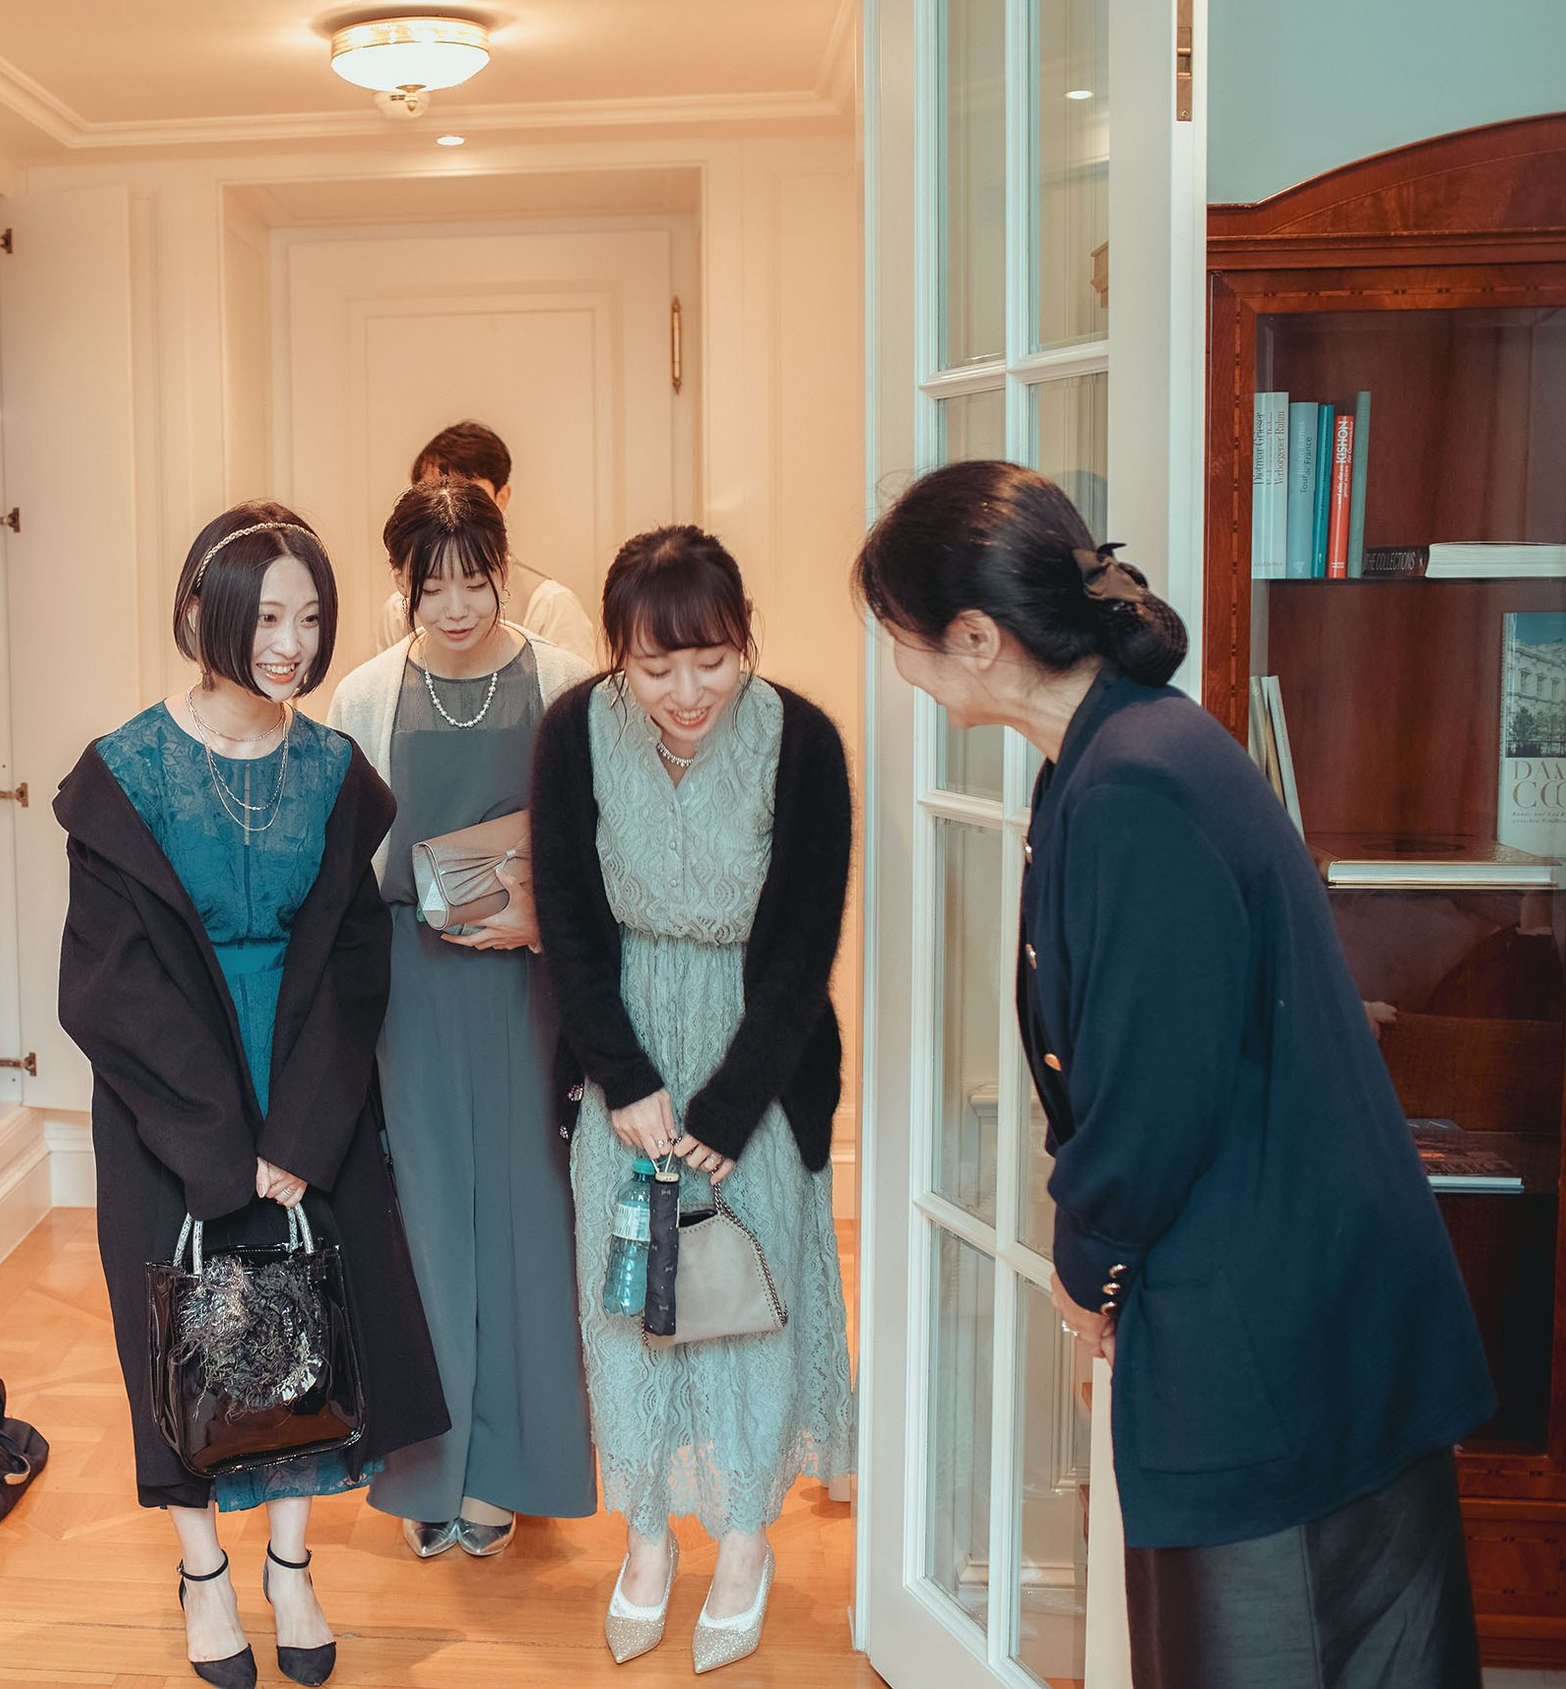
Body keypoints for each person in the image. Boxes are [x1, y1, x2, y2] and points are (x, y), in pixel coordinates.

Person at [855, 459, 1493, 1688]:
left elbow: (1152, 1092)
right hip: (1288, 1284)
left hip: (1277, 1316)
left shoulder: (1133, 780)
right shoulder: (1114, 749)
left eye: (898, 633)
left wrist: (1085, 1266)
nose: (897, 663)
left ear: (974, 638)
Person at [55, 502, 449, 1689]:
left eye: (310, 616)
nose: (291, 641)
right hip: (166, 1105)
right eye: (267, 615)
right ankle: (202, 1574)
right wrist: (220, 1147)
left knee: (305, 1326)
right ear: (200, 614)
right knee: (179, 1328)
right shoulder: (123, 773)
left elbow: (351, 963)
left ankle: (290, 1563)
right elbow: (108, 985)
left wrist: (301, 1131)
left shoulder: (332, 770)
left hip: (306, 1088)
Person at [529, 527, 855, 1672]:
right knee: (632, 1303)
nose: (683, 690)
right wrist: (623, 1078)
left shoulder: (801, 741)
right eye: (654, 666)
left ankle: (747, 1539)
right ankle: (649, 1539)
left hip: (751, 1066)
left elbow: (803, 944)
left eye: (710, 659)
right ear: (615, 653)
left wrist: (725, 1108)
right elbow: (568, 919)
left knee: (747, 1300)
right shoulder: (573, 731)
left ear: (744, 635)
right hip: (622, 1056)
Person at [326, 481, 597, 1560]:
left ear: (501, 567)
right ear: (401, 581)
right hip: (410, 986)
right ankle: (430, 1473)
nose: (453, 604)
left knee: (531, 1216)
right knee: (422, 1223)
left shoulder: (565, 679)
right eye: (428, 582)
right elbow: (351, 867)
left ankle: (510, 1472)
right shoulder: (363, 692)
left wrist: (543, 912)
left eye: (472, 579)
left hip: (531, 989)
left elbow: (596, 838)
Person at [373, 421, 600, 664]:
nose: (449, 506)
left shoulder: (551, 605)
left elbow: (574, 697)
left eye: (470, 495)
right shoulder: (398, 611)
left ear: (501, 498)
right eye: (433, 493)